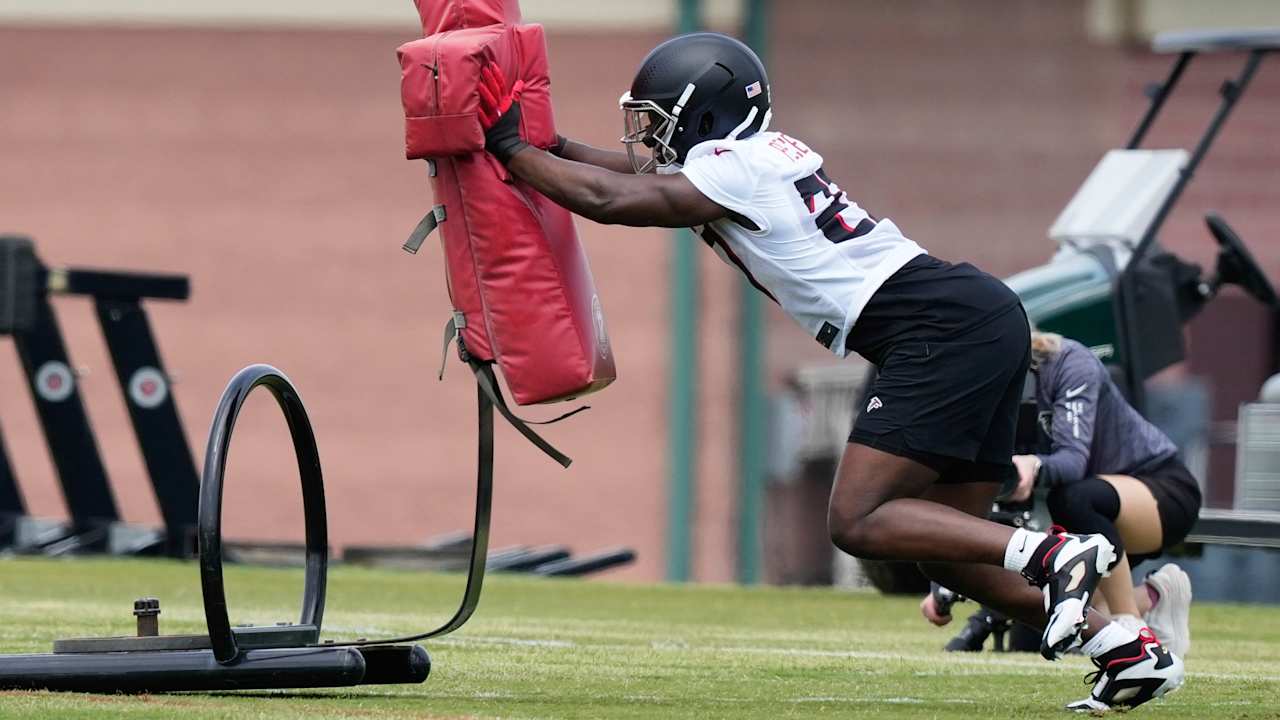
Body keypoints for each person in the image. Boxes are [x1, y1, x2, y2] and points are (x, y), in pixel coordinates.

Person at [474, 32, 1183, 711]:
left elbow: (613, 200)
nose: (646, 139)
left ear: (706, 115)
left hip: (934, 328)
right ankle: (1123, 644)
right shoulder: (753, 155)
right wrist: (554, 147)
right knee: (950, 551)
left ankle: (1056, 551)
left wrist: (507, 147)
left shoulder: (730, 166)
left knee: (859, 519)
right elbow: (631, 173)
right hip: (971, 314)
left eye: (659, 122)